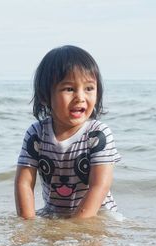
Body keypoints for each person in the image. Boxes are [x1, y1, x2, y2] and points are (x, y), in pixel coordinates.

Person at [15, 45, 121, 219]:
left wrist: (76, 226)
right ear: (45, 96)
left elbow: (99, 186)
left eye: (89, 88)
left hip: (98, 215)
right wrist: (27, 224)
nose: (80, 97)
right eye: (69, 89)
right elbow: (24, 183)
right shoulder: (37, 133)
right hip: (54, 214)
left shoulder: (98, 134)